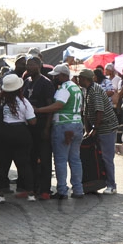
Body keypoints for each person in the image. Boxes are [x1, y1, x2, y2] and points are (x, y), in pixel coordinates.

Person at [0, 74, 36, 203]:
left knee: (1, 166)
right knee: (24, 165)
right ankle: (31, 194)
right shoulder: (24, 102)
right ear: (19, 88)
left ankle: (1, 194)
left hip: (1, 136)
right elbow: (32, 121)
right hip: (20, 134)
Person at [38, 64, 85, 199]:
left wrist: (39, 110)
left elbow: (59, 105)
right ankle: (78, 189)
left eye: (57, 76)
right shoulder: (76, 87)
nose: (54, 78)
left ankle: (62, 190)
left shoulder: (64, 88)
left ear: (63, 76)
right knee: (75, 159)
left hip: (64, 125)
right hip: (77, 124)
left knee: (60, 159)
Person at [79, 69, 119, 195]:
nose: (78, 80)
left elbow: (99, 111)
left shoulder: (95, 91)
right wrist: (87, 129)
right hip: (98, 127)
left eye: (80, 78)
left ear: (85, 79)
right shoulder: (88, 89)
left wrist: (94, 129)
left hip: (106, 128)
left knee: (107, 157)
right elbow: (86, 112)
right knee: (99, 156)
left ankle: (111, 185)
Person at [25, 56, 56, 200]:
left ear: (39, 66)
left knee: (44, 159)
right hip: (30, 127)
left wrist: (47, 128)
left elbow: (51, 108)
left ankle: (45, 189)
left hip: (43, 125)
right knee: (31, 158)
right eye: (27, 65)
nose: (28, 68)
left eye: (31, 65)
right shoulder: (27, 82)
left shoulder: (46, 83)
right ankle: (33, 188)